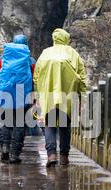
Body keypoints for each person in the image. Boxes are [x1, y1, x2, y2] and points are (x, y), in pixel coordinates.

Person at [33, 28, 87, 167]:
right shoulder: (73, 54)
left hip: (49, 96)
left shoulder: (45, 53)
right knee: (64, 125)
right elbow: (81, 77)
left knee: (50, 124)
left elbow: (36, 77)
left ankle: (51, 155)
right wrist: (82, 97)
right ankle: (64, 156)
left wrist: (37, 95)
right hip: (67, 95)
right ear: (66, 38)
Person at [0, 35, 36, 164]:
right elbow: (35, 79)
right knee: (19, 124)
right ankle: (14, 154)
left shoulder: (3, 58)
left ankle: (5, 148)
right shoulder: (30, 60)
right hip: (22, 94)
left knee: (6, 122)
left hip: (5, 92)